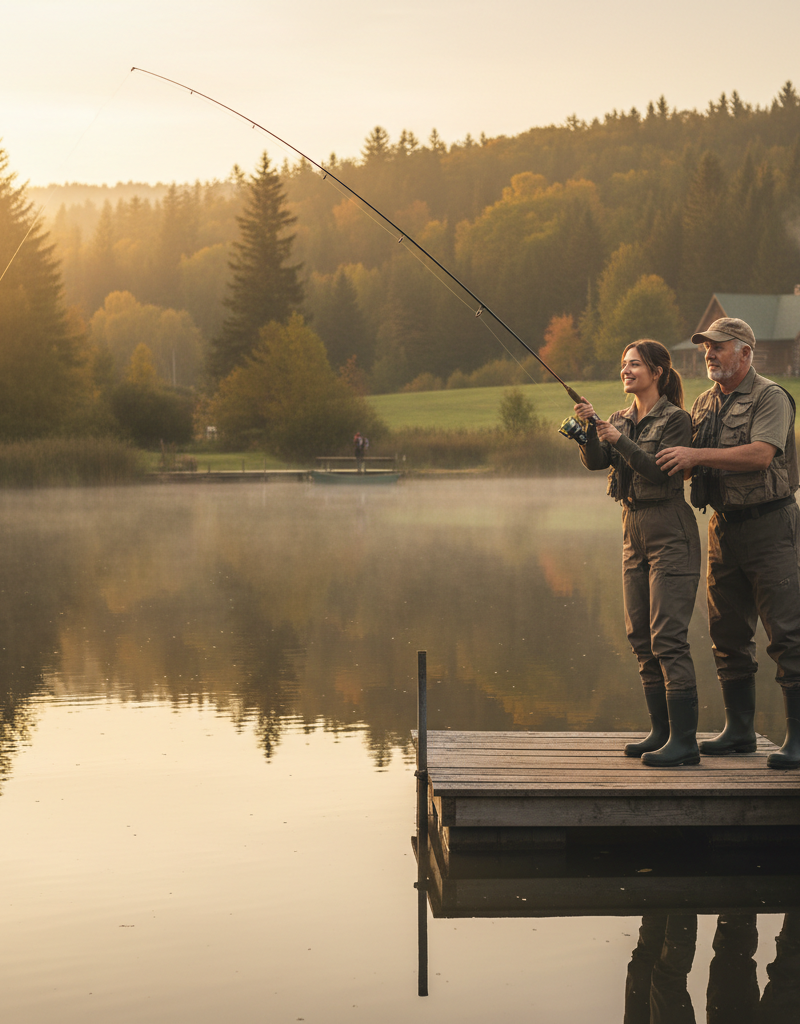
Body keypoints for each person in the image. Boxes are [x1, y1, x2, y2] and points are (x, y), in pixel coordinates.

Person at [656, 318, 800, 769]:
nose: (709, 354)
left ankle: (798, 741)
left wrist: (695, 455)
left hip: (771, 526)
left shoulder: (771, 396)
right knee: (727, 633)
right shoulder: (703, 402)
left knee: (787, 633)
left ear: (745, 353)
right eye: (706, 347)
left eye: (719, 346)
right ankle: (740, 732)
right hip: (722, 527)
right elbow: (686, 461)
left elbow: (760, 454)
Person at [574, 340, 701, 767]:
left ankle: (685, 742)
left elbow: (659, 471)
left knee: (668, 637)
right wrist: (591, 430)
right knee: (640, 637)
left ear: (657, 372)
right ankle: (661, 733)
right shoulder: (618, 418)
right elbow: (597, 463)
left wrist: (619, 440)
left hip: (670, 528)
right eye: (623, 364)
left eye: (635, 365)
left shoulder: (676, 419)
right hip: (632, 527)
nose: (626, 371)